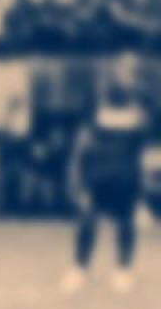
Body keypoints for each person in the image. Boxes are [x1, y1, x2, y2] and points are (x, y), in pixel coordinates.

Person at [61, 54, 147, 295]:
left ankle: (123, 270)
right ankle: (79, 269)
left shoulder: (144, 105)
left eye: (132, 69)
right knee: (87, 219)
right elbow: (82, 141)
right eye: (123, 68)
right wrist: (76, 173)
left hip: (127, 175)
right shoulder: (96, 103)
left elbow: (146, 145)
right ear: (114, 71)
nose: (127, 73)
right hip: (97, 174)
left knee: (126, 222)